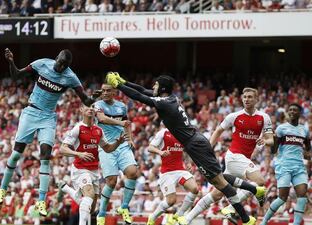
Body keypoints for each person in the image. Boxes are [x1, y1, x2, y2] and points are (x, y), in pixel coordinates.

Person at [105, 72, 266, 225]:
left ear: (161, 89)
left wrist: (118, 86)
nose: (152, 87)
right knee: (218, 179)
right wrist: (123, 82)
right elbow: (143, 90)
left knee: (220, 183)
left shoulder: (164, 103)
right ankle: (254, 191)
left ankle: (246, 219)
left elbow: (139, 96)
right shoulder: (170, 98)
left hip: (194, 145)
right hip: (196, 142)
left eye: (155, 85)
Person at [0, 48, 98, 217]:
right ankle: (2, 189)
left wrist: (94, 97)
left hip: (48, 117)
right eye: (60, 62)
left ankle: (41, 201)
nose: (61, 66)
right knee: (15, 155)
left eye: (65, 65)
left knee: (45, 157)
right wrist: (11, 62)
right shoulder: (42, 64)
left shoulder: (70, 77)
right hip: (30, 112)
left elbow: (85, 100)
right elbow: (17, 76)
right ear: (56, 57)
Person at [185, 87, 274, 224]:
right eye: (245, 97)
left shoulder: (264, 117)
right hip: (234, 156)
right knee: (260, 181)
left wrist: (265, 140)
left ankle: (186, 219)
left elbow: (271, 140)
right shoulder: (234, 116)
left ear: (256, 99)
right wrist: (207, 150)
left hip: (242, 160)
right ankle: (231, 207)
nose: (247, 99)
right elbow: (217, 131)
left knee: (217, 194)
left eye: (250, 97)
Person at [58, 104, 128, 225]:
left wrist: (118, 142)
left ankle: (69, 190)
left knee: (91, 208)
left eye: (92, 107)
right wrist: (78, 154)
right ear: (81, 110)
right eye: (87, 107)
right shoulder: (77, 128)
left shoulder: (98, 130)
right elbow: (62, 149)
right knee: (89, 194)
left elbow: (107, 148)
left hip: (94, 171)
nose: (90, 109)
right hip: (80, 169)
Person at [94, 83, 138, 225]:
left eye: (108, 91)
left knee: (132, 172)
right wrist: (120, 124)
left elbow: (126, 124)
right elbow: (102, 119)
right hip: (106, 146)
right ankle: (101, 213)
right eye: (103, 90)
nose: (105, 93)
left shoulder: (121, 106)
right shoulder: (97, 104)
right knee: (112, 182)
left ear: (114, 92)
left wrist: (129, 138)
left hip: (122, 144)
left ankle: (124, 207)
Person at [261, 103, 310, 225]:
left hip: (299, 166)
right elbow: (274, 151)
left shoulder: (304, 129)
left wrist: (307, 154)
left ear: (300, 113)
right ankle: (264, 221)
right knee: (282, 197)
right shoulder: (281, 128)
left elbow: (307, 149)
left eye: (295, 110)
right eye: (290, 110)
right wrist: (273, 141)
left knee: (303, 195)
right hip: (284, 165)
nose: (292, 111)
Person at [146, 125, 199, 225]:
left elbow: (183, 150)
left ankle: (180, 214)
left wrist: (187, 162)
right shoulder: (163, 133)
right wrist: (160, 152)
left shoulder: (182, 133)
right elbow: (150, 147)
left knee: (195, 189)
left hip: (180, 170)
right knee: (171, 201)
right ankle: (152, 217)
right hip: (167, 173)